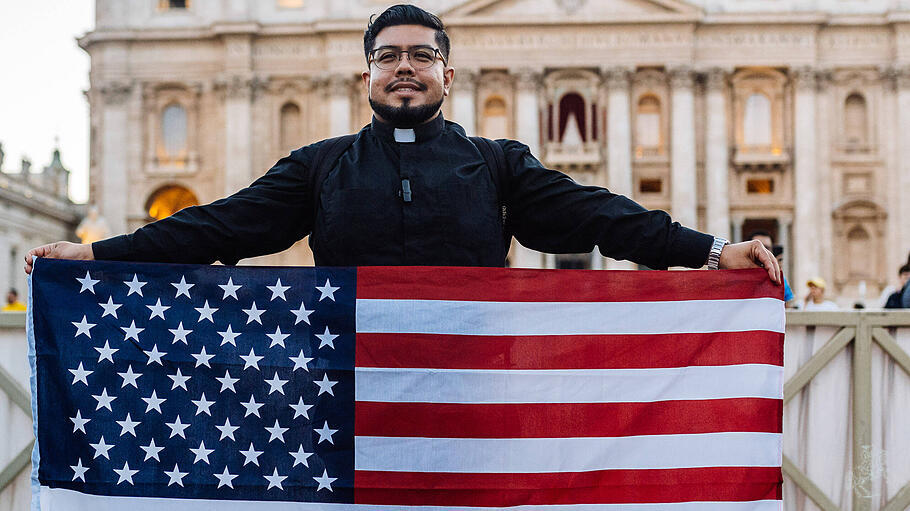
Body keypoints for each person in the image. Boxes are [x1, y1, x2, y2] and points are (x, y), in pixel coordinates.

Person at [23, 5, 779, 285]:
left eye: (421, 55)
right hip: (349, 384)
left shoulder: (498, 163)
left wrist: (713, 251)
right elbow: (219, 226)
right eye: (390, 56)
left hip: (471, 383)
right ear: (367, 76)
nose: (405, 67)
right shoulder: (318, 166)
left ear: (449, 73)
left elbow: (602, 216)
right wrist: (96, 252)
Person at [748, 230, 793, 306]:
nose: (763, 251)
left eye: (767, 248)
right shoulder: (736, 273)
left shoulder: (778, 277)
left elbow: (787, 304)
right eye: (758, 247)